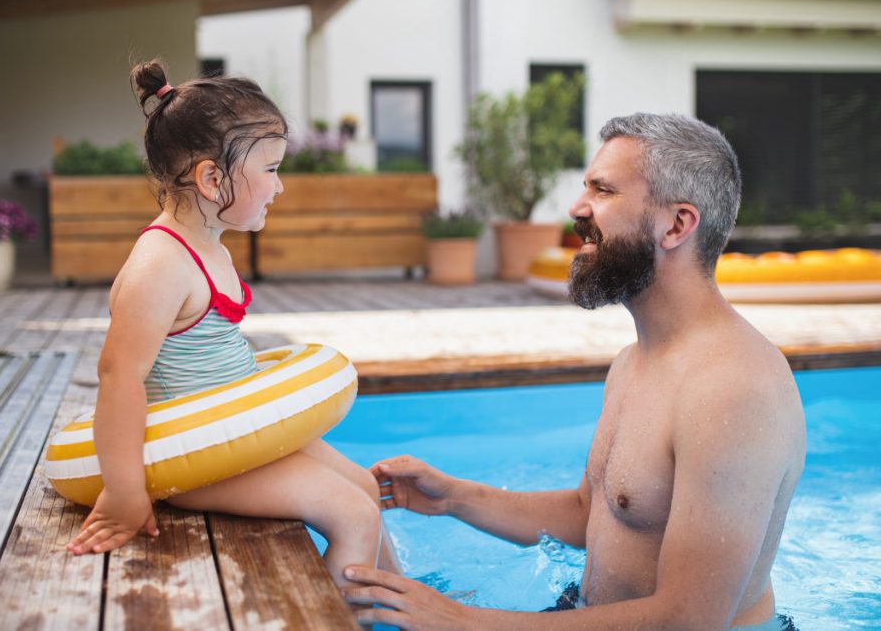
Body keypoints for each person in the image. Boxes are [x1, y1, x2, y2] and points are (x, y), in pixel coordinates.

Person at [344, 113, 805, 630]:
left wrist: (464, 621)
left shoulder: (733, 388)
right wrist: (454, 497)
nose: (577, 208)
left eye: (603, 191)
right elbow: (594, 513)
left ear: (676, 225)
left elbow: (688, 621)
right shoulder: (635, 360)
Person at [66, 60, 400, 592]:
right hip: (195, 455)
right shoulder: (161, 264)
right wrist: (125, 491)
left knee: (363, 487)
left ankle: (410, 607)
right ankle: (353, 619)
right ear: (212, 178)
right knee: (352, 514)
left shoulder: (208, 247)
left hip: (237, 435)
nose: (280, 186)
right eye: (270, 169)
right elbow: (119, 375)